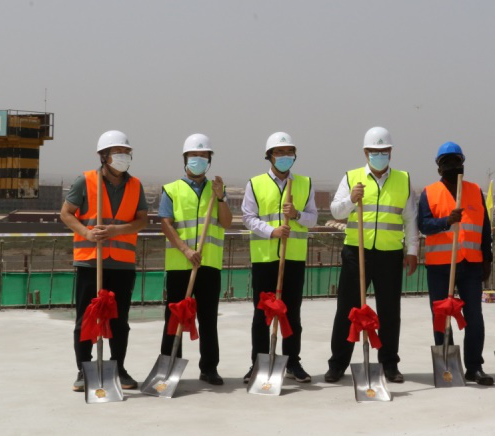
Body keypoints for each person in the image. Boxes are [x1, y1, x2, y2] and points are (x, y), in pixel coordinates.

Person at [324, 127, 418, 384]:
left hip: (390, 254)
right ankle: (338, 363)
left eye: (384, 151)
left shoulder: (403, 179)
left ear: (391, 152)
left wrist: (412, 251)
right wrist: (351, 199)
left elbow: (410, 218)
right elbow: (336, 211)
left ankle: (389, 363)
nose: (380, 155)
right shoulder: (351, 177)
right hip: (356, 253)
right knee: (347, 309)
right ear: (365, 152)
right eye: (375, 151)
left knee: (390, 311)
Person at [60, 130, 149, 392]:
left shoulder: (135, 185)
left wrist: (116, 231)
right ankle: (83, 369)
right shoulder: (85, 181)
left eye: (126, 152)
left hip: (122, 263)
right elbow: (66, 213)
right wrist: (87, 233)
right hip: (91, 261)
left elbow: (142, 220)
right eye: (118, 152)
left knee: (119, 320)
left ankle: (118, 368)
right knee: (87, 318)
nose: (123, 156)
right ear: (104, 156)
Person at [242, 132, 318, 384]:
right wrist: (271, 231)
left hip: (293, 258)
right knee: (261, 315)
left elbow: (313, 218)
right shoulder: (255, 183)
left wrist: (296, 215)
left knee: (292, 313)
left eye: (289, 152)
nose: (285, 156)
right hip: (264, 259)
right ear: (270, 156)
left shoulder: (305, 183)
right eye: (279, 152)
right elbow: (248, 217)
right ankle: (259, 362)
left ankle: (292, 362)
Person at [158, 133, 232, 385]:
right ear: (185, 158)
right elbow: (166, 224)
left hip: (209, 264)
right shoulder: (172, 190)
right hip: (181, 265)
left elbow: (226, 222)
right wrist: (186, 251)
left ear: (209, 160)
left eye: (203, 156)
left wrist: (220, 197)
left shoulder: (217, 190)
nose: (198, 159)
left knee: (208, 319)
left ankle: (209, 368)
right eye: (194, 155)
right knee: (174, 318)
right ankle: (169, 367)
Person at [418, 142, 494, 385]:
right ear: (439, 168)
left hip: (471, 264)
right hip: (440, 266)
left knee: (474, 317)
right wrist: (446, 221)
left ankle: (474, 367)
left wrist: (487, 259)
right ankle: (448, 365)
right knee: (442, 316)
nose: (452, 166)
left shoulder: (474, 191)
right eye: (447, 163)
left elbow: (484, 228)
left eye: (456, 161)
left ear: (463, 164)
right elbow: (423, 225)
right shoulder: (429, 193)